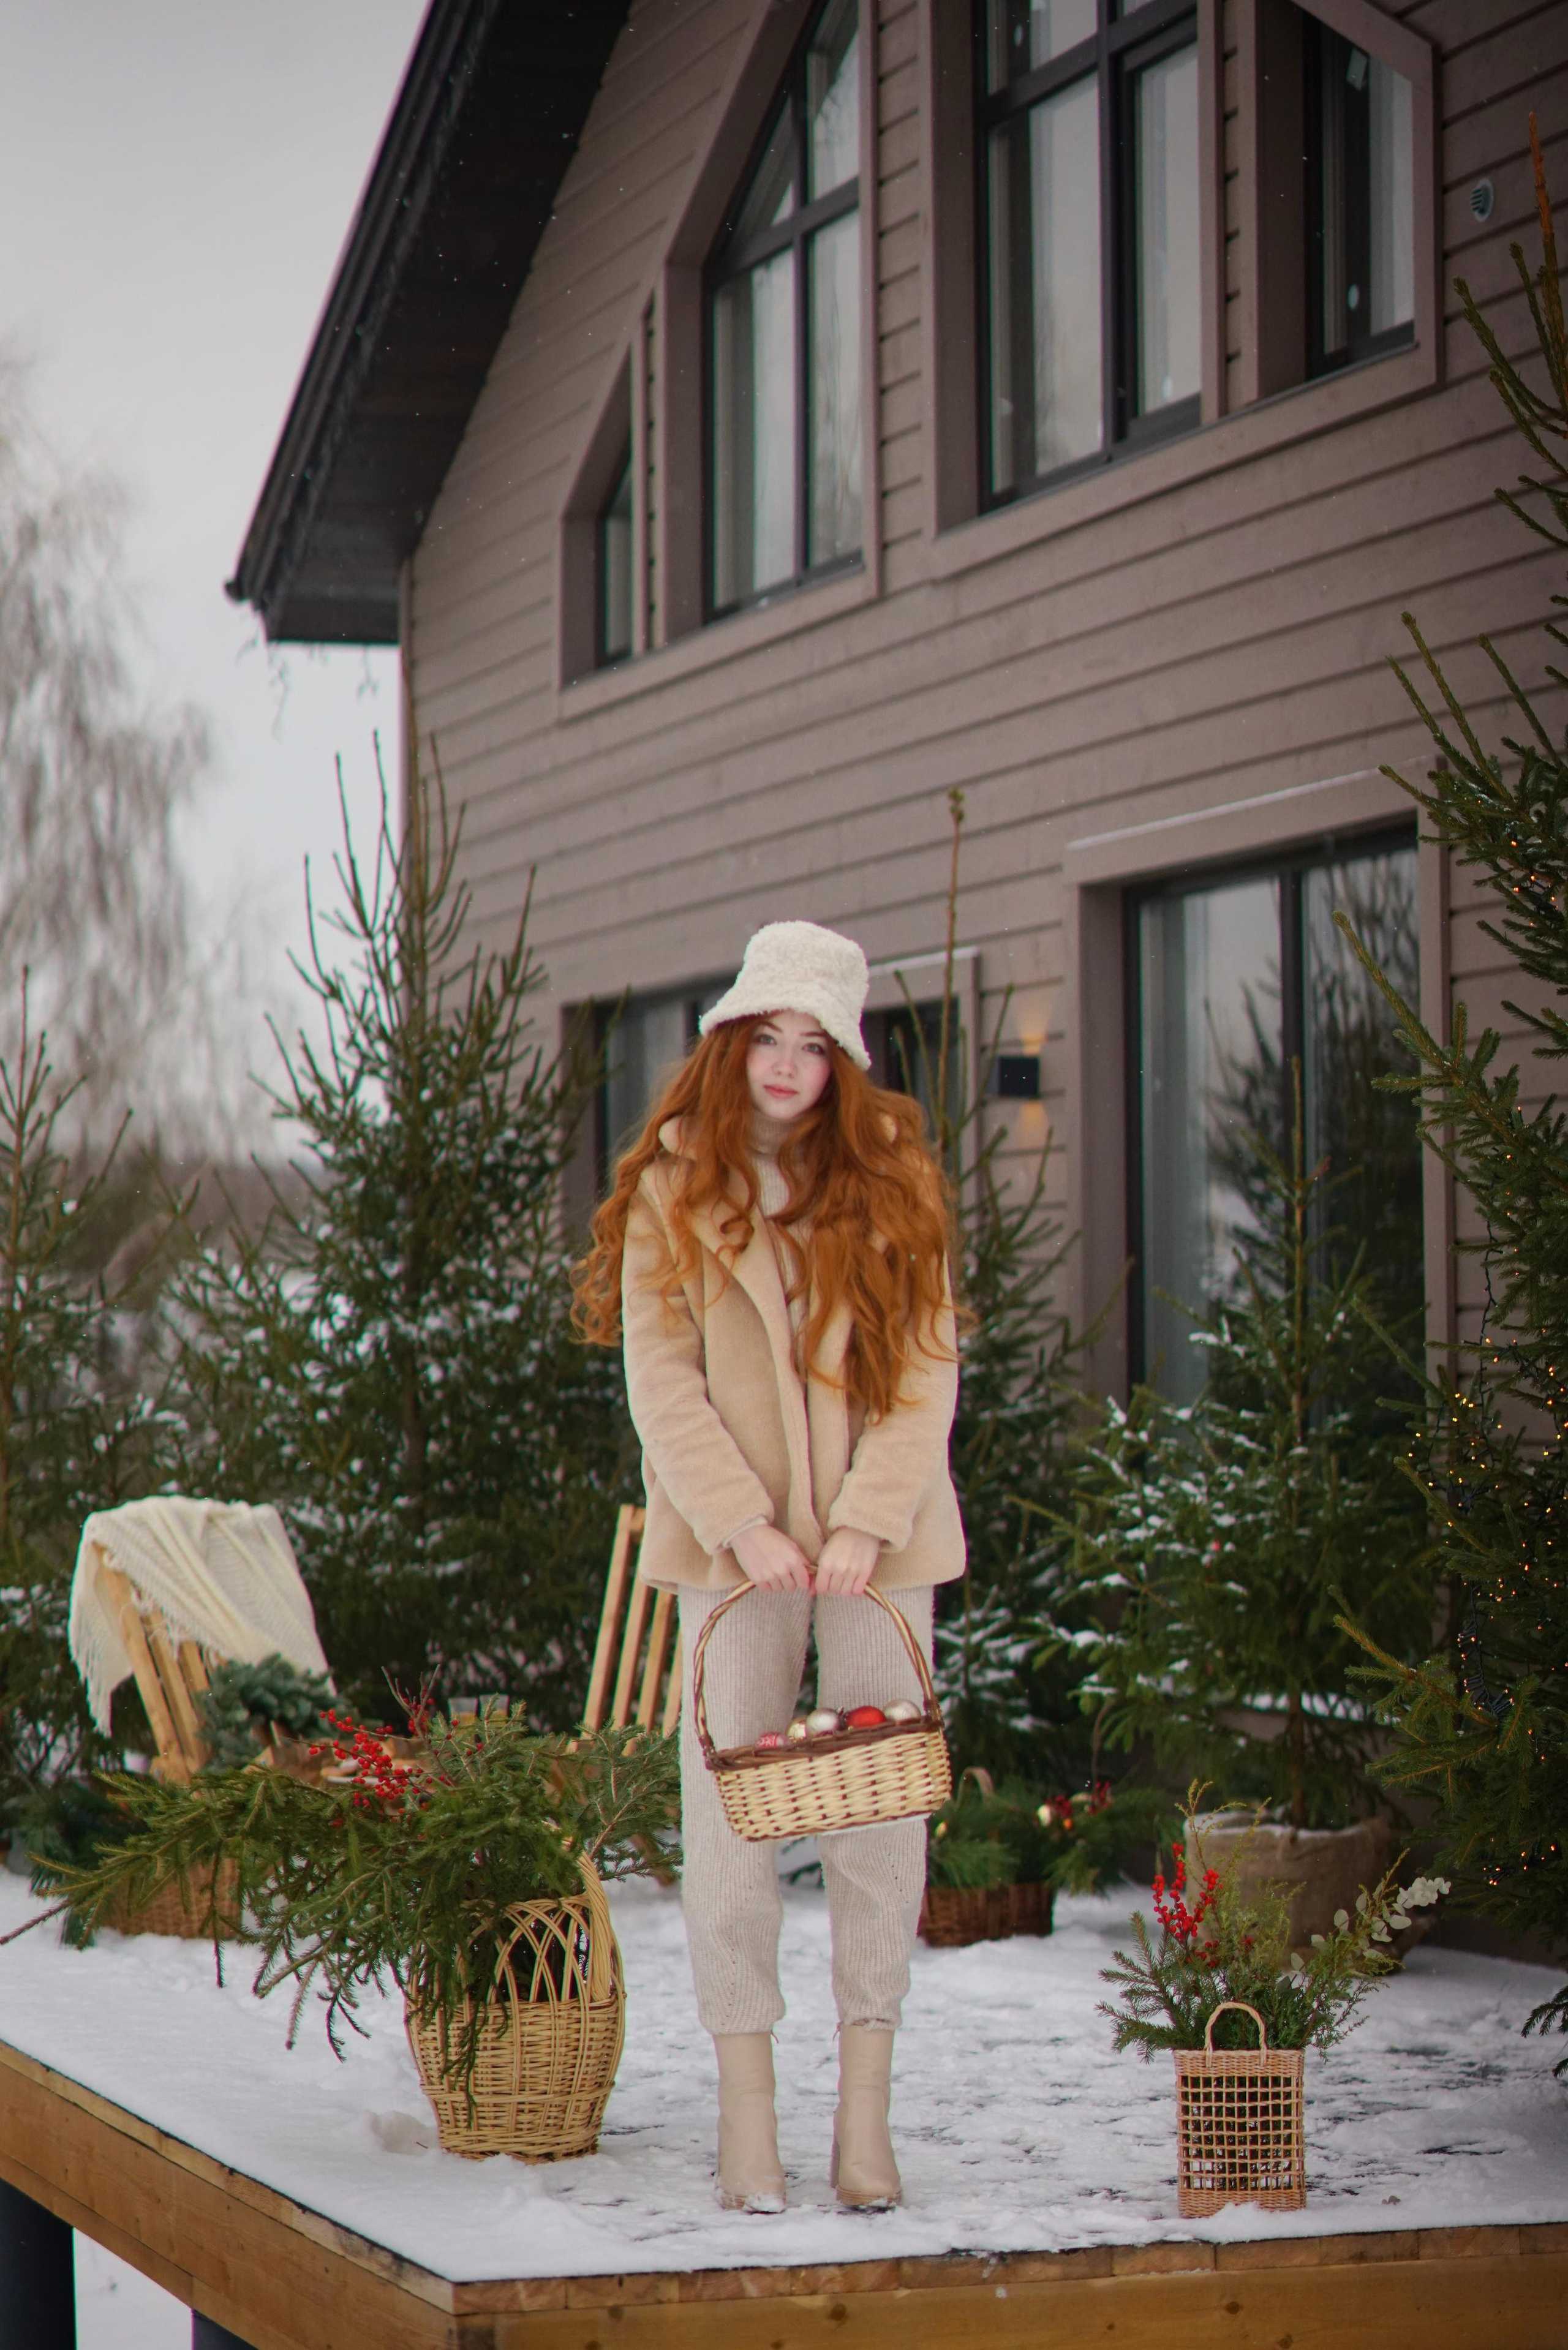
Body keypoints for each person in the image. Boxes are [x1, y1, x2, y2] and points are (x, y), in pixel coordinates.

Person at [573, 920, 965, 2213]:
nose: (789, 1065)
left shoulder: (892, 1176)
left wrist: (861, 1519)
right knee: (728, 1825)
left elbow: (924, 1368)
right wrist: (746, 1523)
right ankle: (750, 2118)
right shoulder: (674, 1187)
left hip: (880, 1544)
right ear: (732, 1038)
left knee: (876, 1811)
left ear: (842, 1059)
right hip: (731, 1551)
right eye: (770, 1036)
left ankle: (865, 2115)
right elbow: (660, 1380)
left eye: (816, 1043)